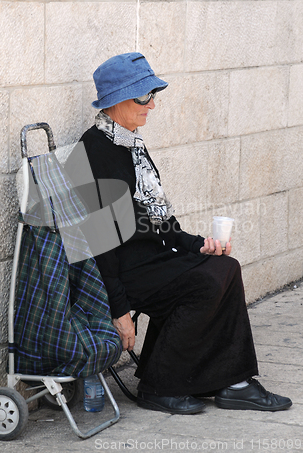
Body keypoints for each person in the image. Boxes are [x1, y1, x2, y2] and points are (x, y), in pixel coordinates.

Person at [69, 52, 292, 415]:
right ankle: (160, 385)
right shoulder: (97, 151)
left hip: (148, 257)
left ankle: (233, 382)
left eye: (153, 95)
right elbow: (101, 239)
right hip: (122, 270)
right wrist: (119, 308)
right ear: (117, 100)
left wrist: (197, 244)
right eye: (145, 97)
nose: (152, 105)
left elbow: (160, 219)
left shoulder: (128, 144)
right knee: (206, 283)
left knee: (225, 266)